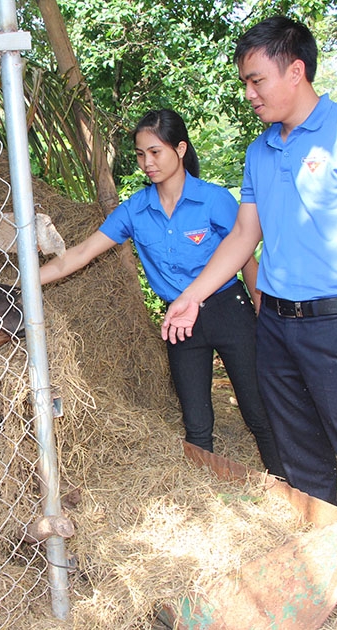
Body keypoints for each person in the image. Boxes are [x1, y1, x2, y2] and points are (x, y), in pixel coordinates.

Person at [161, 17, 337, 629]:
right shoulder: (261, 150)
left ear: (295, 70)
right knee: (301, 461)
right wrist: (193, 296)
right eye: (245, 83)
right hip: (276, 328)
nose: (249, 93)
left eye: (256, 80)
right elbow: (243, 237)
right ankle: (317, 580)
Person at [40, 109, 285, 478]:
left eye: (155, 152)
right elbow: (79, 253)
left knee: (257, 410)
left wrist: (264, 315)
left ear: (181, 149)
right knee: (196, 419)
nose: (147, 162)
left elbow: (246, 258)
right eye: (140, 154)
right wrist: (21, 282)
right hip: (179, 322)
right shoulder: (135, 210)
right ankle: (207, 492)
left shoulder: (214, 200)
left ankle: (287, 485)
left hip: (228, 310)